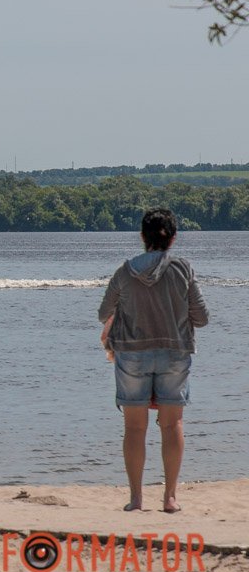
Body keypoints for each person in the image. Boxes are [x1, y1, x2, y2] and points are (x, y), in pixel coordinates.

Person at [97, 208, 208, 514]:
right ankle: (170, 498)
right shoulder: (183, 268)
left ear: (142, 237)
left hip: (132, 354)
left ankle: (136, 499)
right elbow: (202, 317)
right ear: (173, 238)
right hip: (175, 353)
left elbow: (102, 311)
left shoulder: (125, 270)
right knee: (172, 425)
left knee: (134, 429)